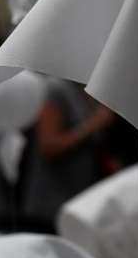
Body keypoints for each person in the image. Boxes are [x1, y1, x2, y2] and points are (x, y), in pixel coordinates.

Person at [20, 79, 115, 231]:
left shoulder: (94, 91)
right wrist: (93, 125)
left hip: (83, 201)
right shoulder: (57, 89)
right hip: (52, 205)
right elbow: (49, 145)